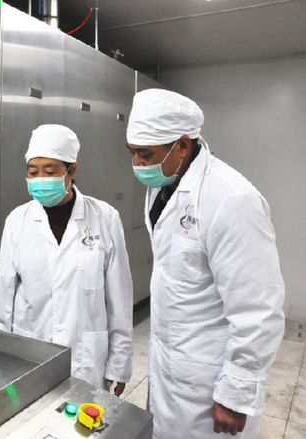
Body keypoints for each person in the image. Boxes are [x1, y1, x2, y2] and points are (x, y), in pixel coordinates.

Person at [126, 89, 285, 438]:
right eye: (132, 152)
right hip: (171, 366)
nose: (137, 164)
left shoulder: (231, 199)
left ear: (182, 145)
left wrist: (236, 393)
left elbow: (258, 308)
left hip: (208, 381)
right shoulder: (164, 185)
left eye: (146, 154)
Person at [0, 124, 133, 394]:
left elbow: (119, 300)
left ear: (72, 170)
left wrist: (119, 363)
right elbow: (2, 300)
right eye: (33, 172)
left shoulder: (105, 218)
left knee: (84, 416)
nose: (40, 179)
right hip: (30, 354)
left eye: (50, 171)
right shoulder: (17, 221)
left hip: (85, 358)